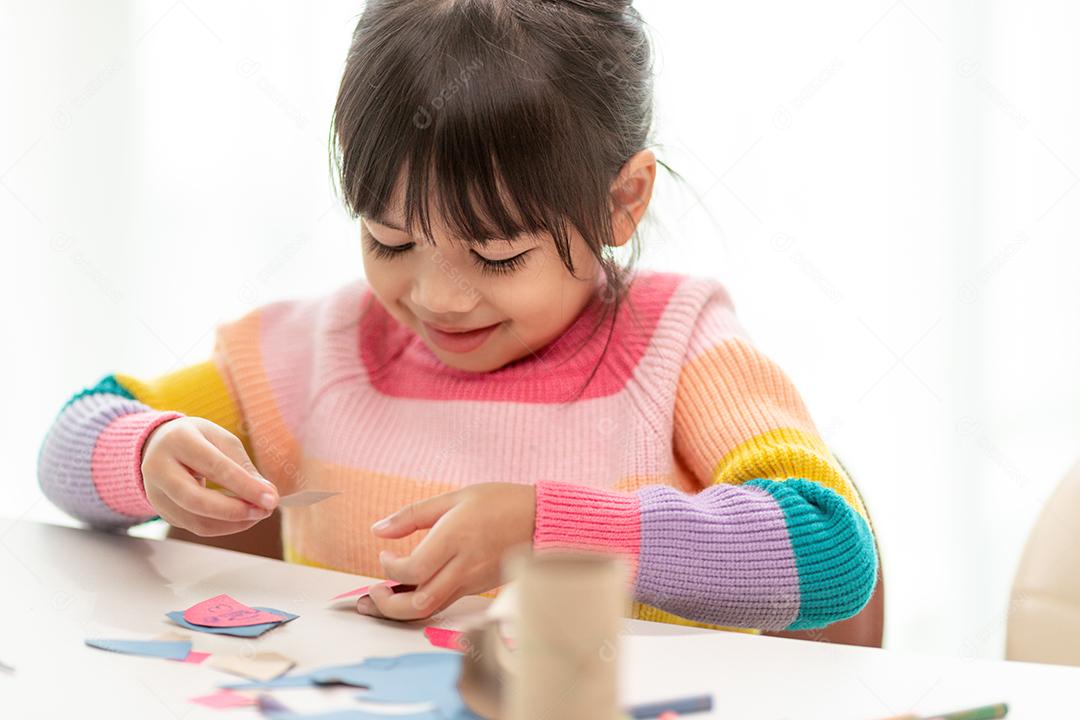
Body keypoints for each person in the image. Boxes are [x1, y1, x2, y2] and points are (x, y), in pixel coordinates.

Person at [38, 0, 876, 632]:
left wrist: (549, 530)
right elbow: (73, 438)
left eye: (499, 255)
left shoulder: (679, 343)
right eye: (389, 240)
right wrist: (144, 453)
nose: (436, 298)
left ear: (622, 201)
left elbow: (833, 549)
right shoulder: (316, 351)